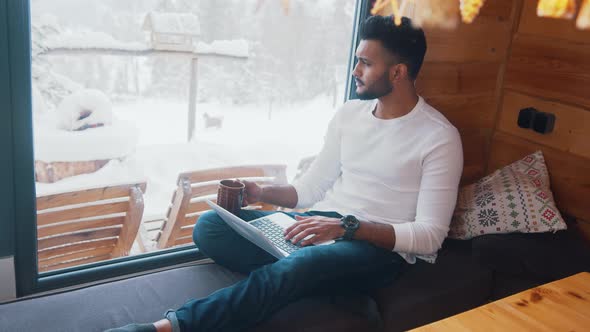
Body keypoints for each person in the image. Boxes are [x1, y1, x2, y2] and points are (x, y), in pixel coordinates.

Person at [106, 15, 463, 332]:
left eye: (365, 63)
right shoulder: (350, 115)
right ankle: (327, 284)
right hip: (318, 224)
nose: (355, 71)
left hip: (376, 246)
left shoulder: (438, 137)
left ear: (397, 72)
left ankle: (170, 327)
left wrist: (347, 227)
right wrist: (262, 193)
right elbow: (311, 189)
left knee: (301, 266)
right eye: (356, 60)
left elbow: (430, 236)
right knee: (210, 228)